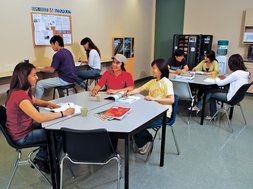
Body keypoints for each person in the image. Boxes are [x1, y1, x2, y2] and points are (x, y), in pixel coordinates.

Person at [6, 62, 75, 173]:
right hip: (22, 136)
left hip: (22, 129)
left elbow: (35, 100)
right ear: (24, 77)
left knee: (50, 129)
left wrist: (48, 104)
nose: (37, 78)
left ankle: (41, 157)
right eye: (33, 75)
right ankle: (45, 160)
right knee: (58, 133)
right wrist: (63, 113)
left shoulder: (21, 91)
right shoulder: (20, 96)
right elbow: (39, 118)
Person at [127, 58, 174, 155]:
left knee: (136, 125)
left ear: (161, 70)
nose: (152, 70)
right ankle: (143, 140)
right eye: (152, 68)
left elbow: (171, 100)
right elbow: (140, 89)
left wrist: (154, 99)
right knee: (131, 119)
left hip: (162, 114)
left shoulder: (166, 82)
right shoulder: (153, 81)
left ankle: (147, 140)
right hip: (151, 111)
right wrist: (128, 93)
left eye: (154, 68)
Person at [192, 54, 249, 119]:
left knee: (210, 93)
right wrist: (226, 77)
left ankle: (199, 107)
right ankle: (208, 112)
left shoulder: (236, 74)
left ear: (232, 64)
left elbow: (220, 84)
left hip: (231, 97)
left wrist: (216, 78)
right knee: (211, 92)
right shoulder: (243, 73)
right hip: (238, 97)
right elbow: (232, 78)